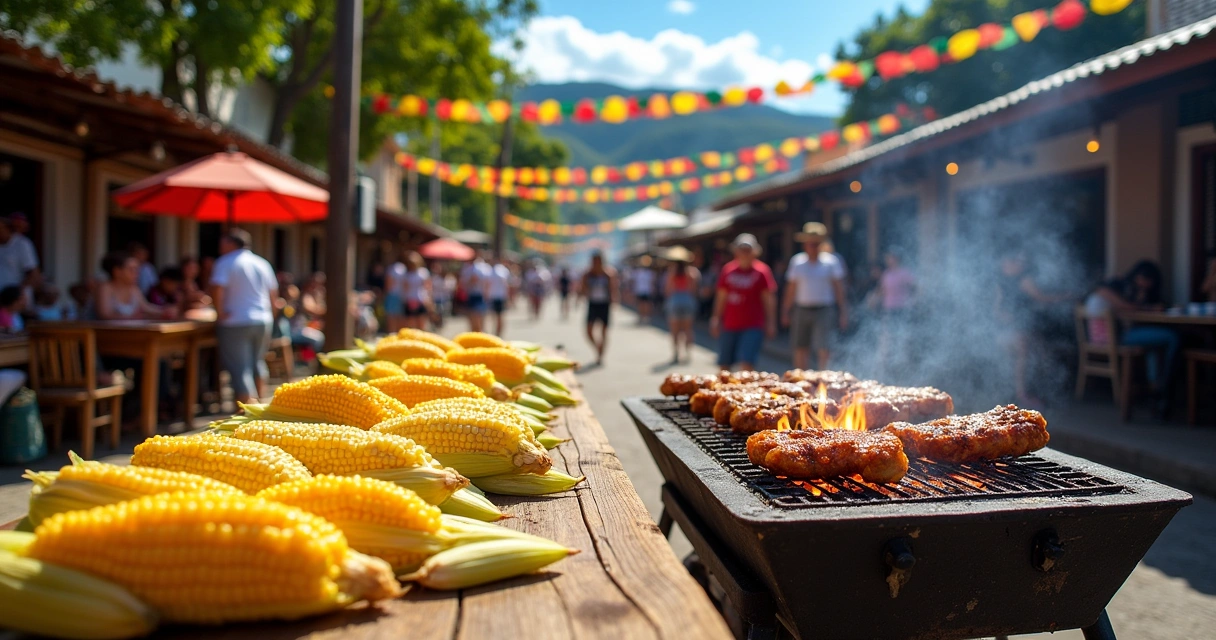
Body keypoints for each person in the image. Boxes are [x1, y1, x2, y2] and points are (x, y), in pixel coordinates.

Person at [1085, 260, 1179, 415]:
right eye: (1143, 278)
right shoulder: (1110, 289)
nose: (1144, 283)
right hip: (1116, 338)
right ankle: (1164, 389)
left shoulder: (1133, 292)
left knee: (1155, 344)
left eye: (1148, 281)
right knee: (1171, 338)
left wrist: (1143, 299)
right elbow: (1126, 308)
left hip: (1116, 336)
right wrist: (1147, 307)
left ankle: (1156, 390)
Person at [209, 229, 277, 405]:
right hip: (263, 319)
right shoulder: (262, 263)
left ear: (232, 243)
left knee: (241, 369)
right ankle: (261, 404)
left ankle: (248, 412)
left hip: (236, 321)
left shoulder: (225, 262)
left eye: (223, 243)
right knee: (257, 363)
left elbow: (217, 288)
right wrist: (271, 315)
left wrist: (219, 312)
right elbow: (273, 295)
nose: (220, 247)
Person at [994, 251, 1070, 407]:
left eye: (1023, 261)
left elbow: (1039, 299)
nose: (1021, 264)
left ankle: (1027, 392)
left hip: (1016, 330)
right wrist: (1066, 297)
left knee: (1037, 351)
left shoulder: (1018, 280)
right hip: (1009, 331)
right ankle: (1023, 394)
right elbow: (1041, 297)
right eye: (1017, 261)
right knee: (1026, 351)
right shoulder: (1017, 281)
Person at [782, 223, 848, 370]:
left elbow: (839, 289)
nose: (813, 247)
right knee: (800, 346)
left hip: (824, 309)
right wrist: (786, 310)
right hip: (801, 309)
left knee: (824, 347)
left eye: (816, 243)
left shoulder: (831, 262)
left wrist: (843, 311)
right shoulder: (797, 262)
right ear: (805, 244)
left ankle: (823, 381)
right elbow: (791, 289)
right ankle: (800, 380)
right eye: (811, 243)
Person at [711, 234, 777, 371]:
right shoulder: (728, 270)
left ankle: (746, 392)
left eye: (748, 249)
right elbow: (721, 296)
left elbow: (768, 299)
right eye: (742, 249)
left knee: (747, 364)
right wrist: (716, 318)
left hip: (753, 324)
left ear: (754, 252)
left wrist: (771, 322)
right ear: (736, 251)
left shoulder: (762, 271)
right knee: (724, 364)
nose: (744, 253)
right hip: (730, 323)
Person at [95, 251, 177, 320]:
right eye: (131, 270)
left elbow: (146, 307)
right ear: (117, 271)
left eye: (137, 269)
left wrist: (164, 311)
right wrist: (130, 317)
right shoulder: (105, 288)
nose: (136, 273)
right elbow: (105, 315)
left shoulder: (133, 289)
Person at [663, 246, 700, 364]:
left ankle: (676, 354)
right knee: (688, 329)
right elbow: (694, 289)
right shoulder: (692, 272)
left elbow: (668, 289)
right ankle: (688, 353)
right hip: (688, 300)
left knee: (675, 330)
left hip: (674, 300)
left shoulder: (672, 272)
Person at [581, 251, 617, 365]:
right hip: (592, 303)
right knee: (588, 330)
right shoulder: (588, 274)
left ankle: (600, 355)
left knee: (604, 331)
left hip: (604, 304)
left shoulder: (608, 274)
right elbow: (583, 288)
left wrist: (614, 301)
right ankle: (597, 347)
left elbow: (613, 289)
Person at [0, 219, 37, 294]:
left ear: (6, 228)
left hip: (15, 298)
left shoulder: (22, 244)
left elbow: (33, 274)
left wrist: (17, 293)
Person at [460, 252, 492, 332]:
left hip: (475, 295)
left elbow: (473, 280)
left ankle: (478, 336)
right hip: (477, 295)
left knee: (475, 319)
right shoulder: (484, 267)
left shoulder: (476, 267)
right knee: (479, 319)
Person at [401, 251, 432, 330]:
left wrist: (428, 299)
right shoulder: (407, 274)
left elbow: (428, 287)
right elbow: (405, 288)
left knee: (421, 323)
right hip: (410, 300)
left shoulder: (423, 272)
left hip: (421, 300)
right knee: (410, 324)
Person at [487, 257, 512, 336]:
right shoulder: (492, 270)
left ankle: (498, 333)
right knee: (495, 316)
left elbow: (506, 284)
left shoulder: (500, 270)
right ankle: (497, 333)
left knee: (498, 316)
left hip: (498, 296)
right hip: (495, 296)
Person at [383, 253, 407, 333]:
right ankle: (398, 333)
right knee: (400, 317)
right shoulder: (405, 269)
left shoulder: (392, 268)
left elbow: (388, 283)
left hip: (392, 294)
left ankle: (391, 333)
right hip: (402, 295)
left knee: (391, 316)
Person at [631, 256, 656, 323]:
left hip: (647, 290)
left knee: (646, 304)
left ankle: (646, 316)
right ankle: (642, 316)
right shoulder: (638, 272)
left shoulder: (650, 273)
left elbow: (652, 283)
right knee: (641, 304)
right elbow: (635, 282)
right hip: (640, 290)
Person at [430, 262, 452, 327]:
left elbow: (450, 288)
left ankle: (441, 323)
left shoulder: (448, 278)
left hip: (445, 299)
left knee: (443, 312)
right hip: (436, 298)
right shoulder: (435, 278)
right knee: (437, 312)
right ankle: (437, 323)